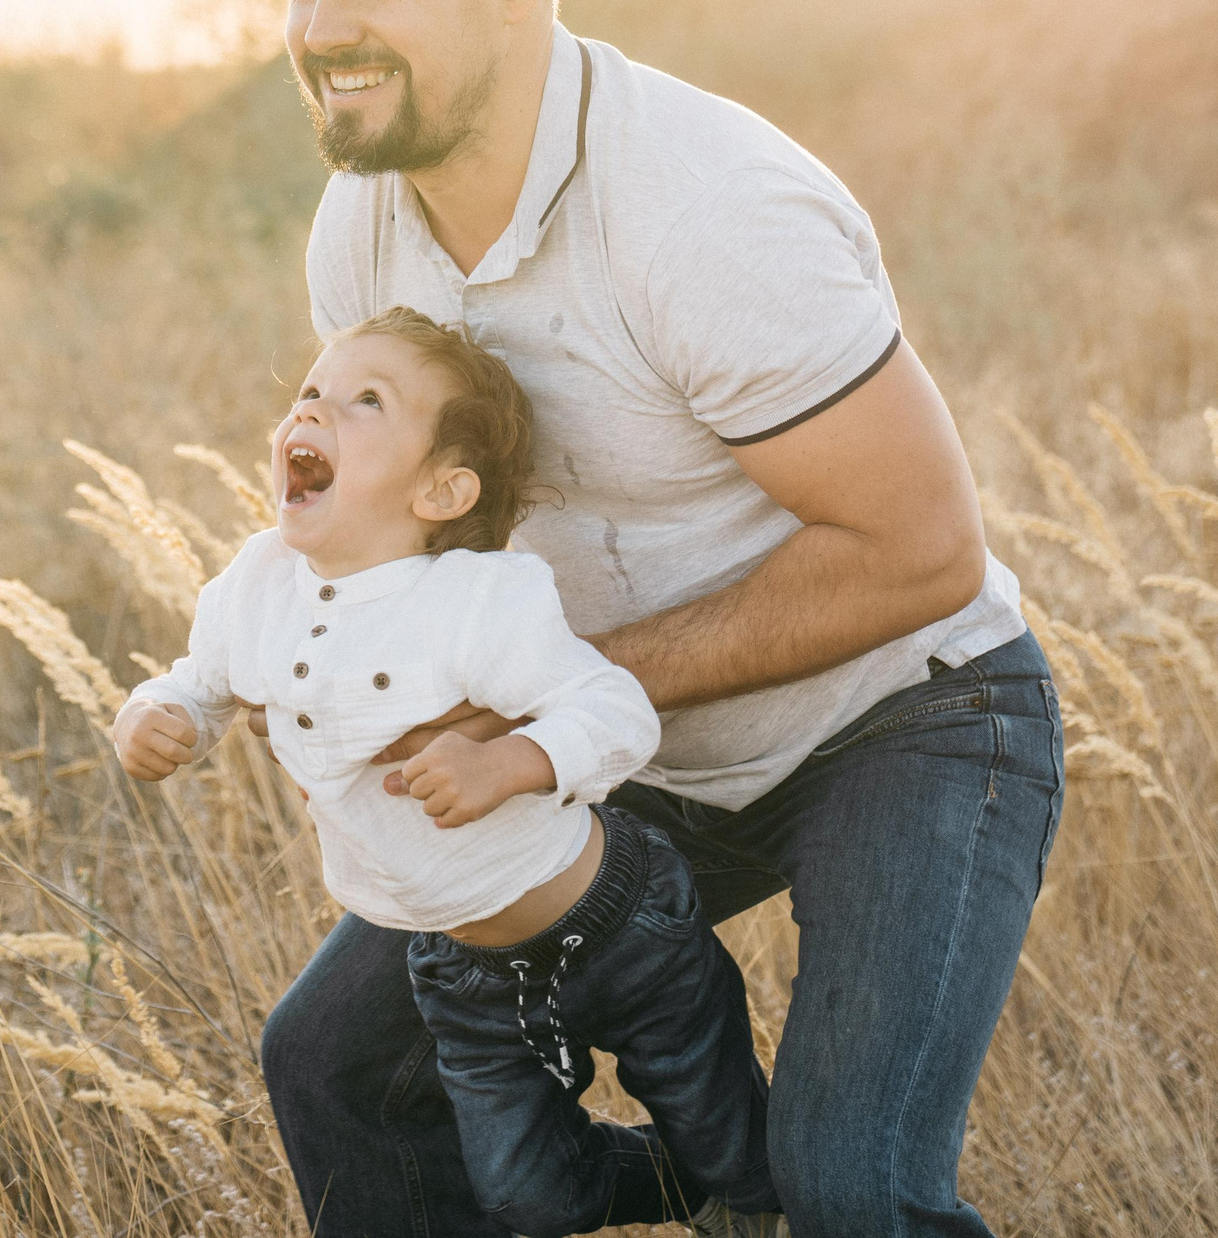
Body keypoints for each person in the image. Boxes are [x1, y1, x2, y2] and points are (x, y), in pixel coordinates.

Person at [257, 0, 1065, 1237]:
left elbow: (924, 556)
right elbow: (417, 535)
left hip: (903, 718)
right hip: (624, 741)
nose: (321, 31)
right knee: (335, 1069)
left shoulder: (704, 210)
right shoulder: (361, 230)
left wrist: (555, 711)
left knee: (845, 1193)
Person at [113, 307, 784, 1236]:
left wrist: (509, 761)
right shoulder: (255, 586)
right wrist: (157, 716)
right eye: (312, 391)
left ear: (442, 491)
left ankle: (753, 1190)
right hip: (460, 968)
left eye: (365, 401)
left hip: (617, 923)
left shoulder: (477, 601)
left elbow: (615, 713)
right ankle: (687, 1191)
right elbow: (199, 684)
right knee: (527, 1196)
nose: (313, 411)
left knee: (731, 1137)